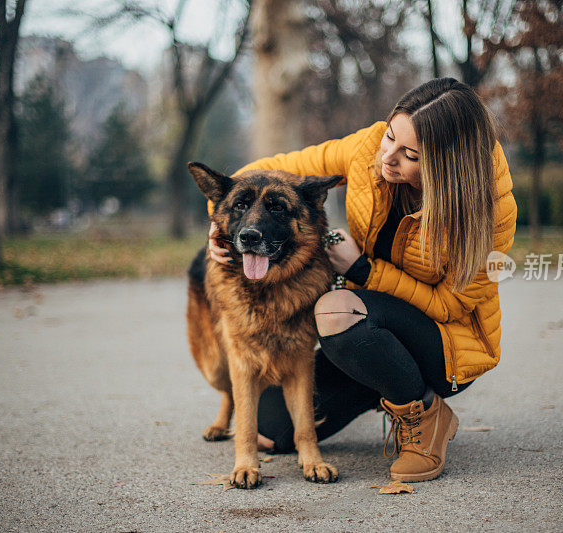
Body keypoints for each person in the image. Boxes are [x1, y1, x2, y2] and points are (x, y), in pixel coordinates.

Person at [207, 77, 517, 483]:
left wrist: (362, 271)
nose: (387, 157)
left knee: (333, 311)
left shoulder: (489, 208)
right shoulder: (368, 148)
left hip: (443, 346)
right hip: (368, 335)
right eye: (390, 137)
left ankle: (425, 413)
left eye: (410, 155)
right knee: (272, 430)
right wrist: (221, 223)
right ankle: (384, 384)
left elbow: (451, 306)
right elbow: (270, 171)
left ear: (448, 165)